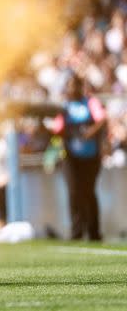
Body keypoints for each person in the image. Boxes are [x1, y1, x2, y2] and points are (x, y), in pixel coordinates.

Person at [52, 73, 107, 241]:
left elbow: (102, 120)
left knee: (89, 192)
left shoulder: (91, 103)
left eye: (75, 85)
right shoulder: (64, 107)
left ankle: (94, 232)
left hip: (91, 156)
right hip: (70, 157)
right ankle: (76, 232)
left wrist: (90, 133)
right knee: (74, 192)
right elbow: (56, 129)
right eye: (70, 85)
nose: (72, 89)